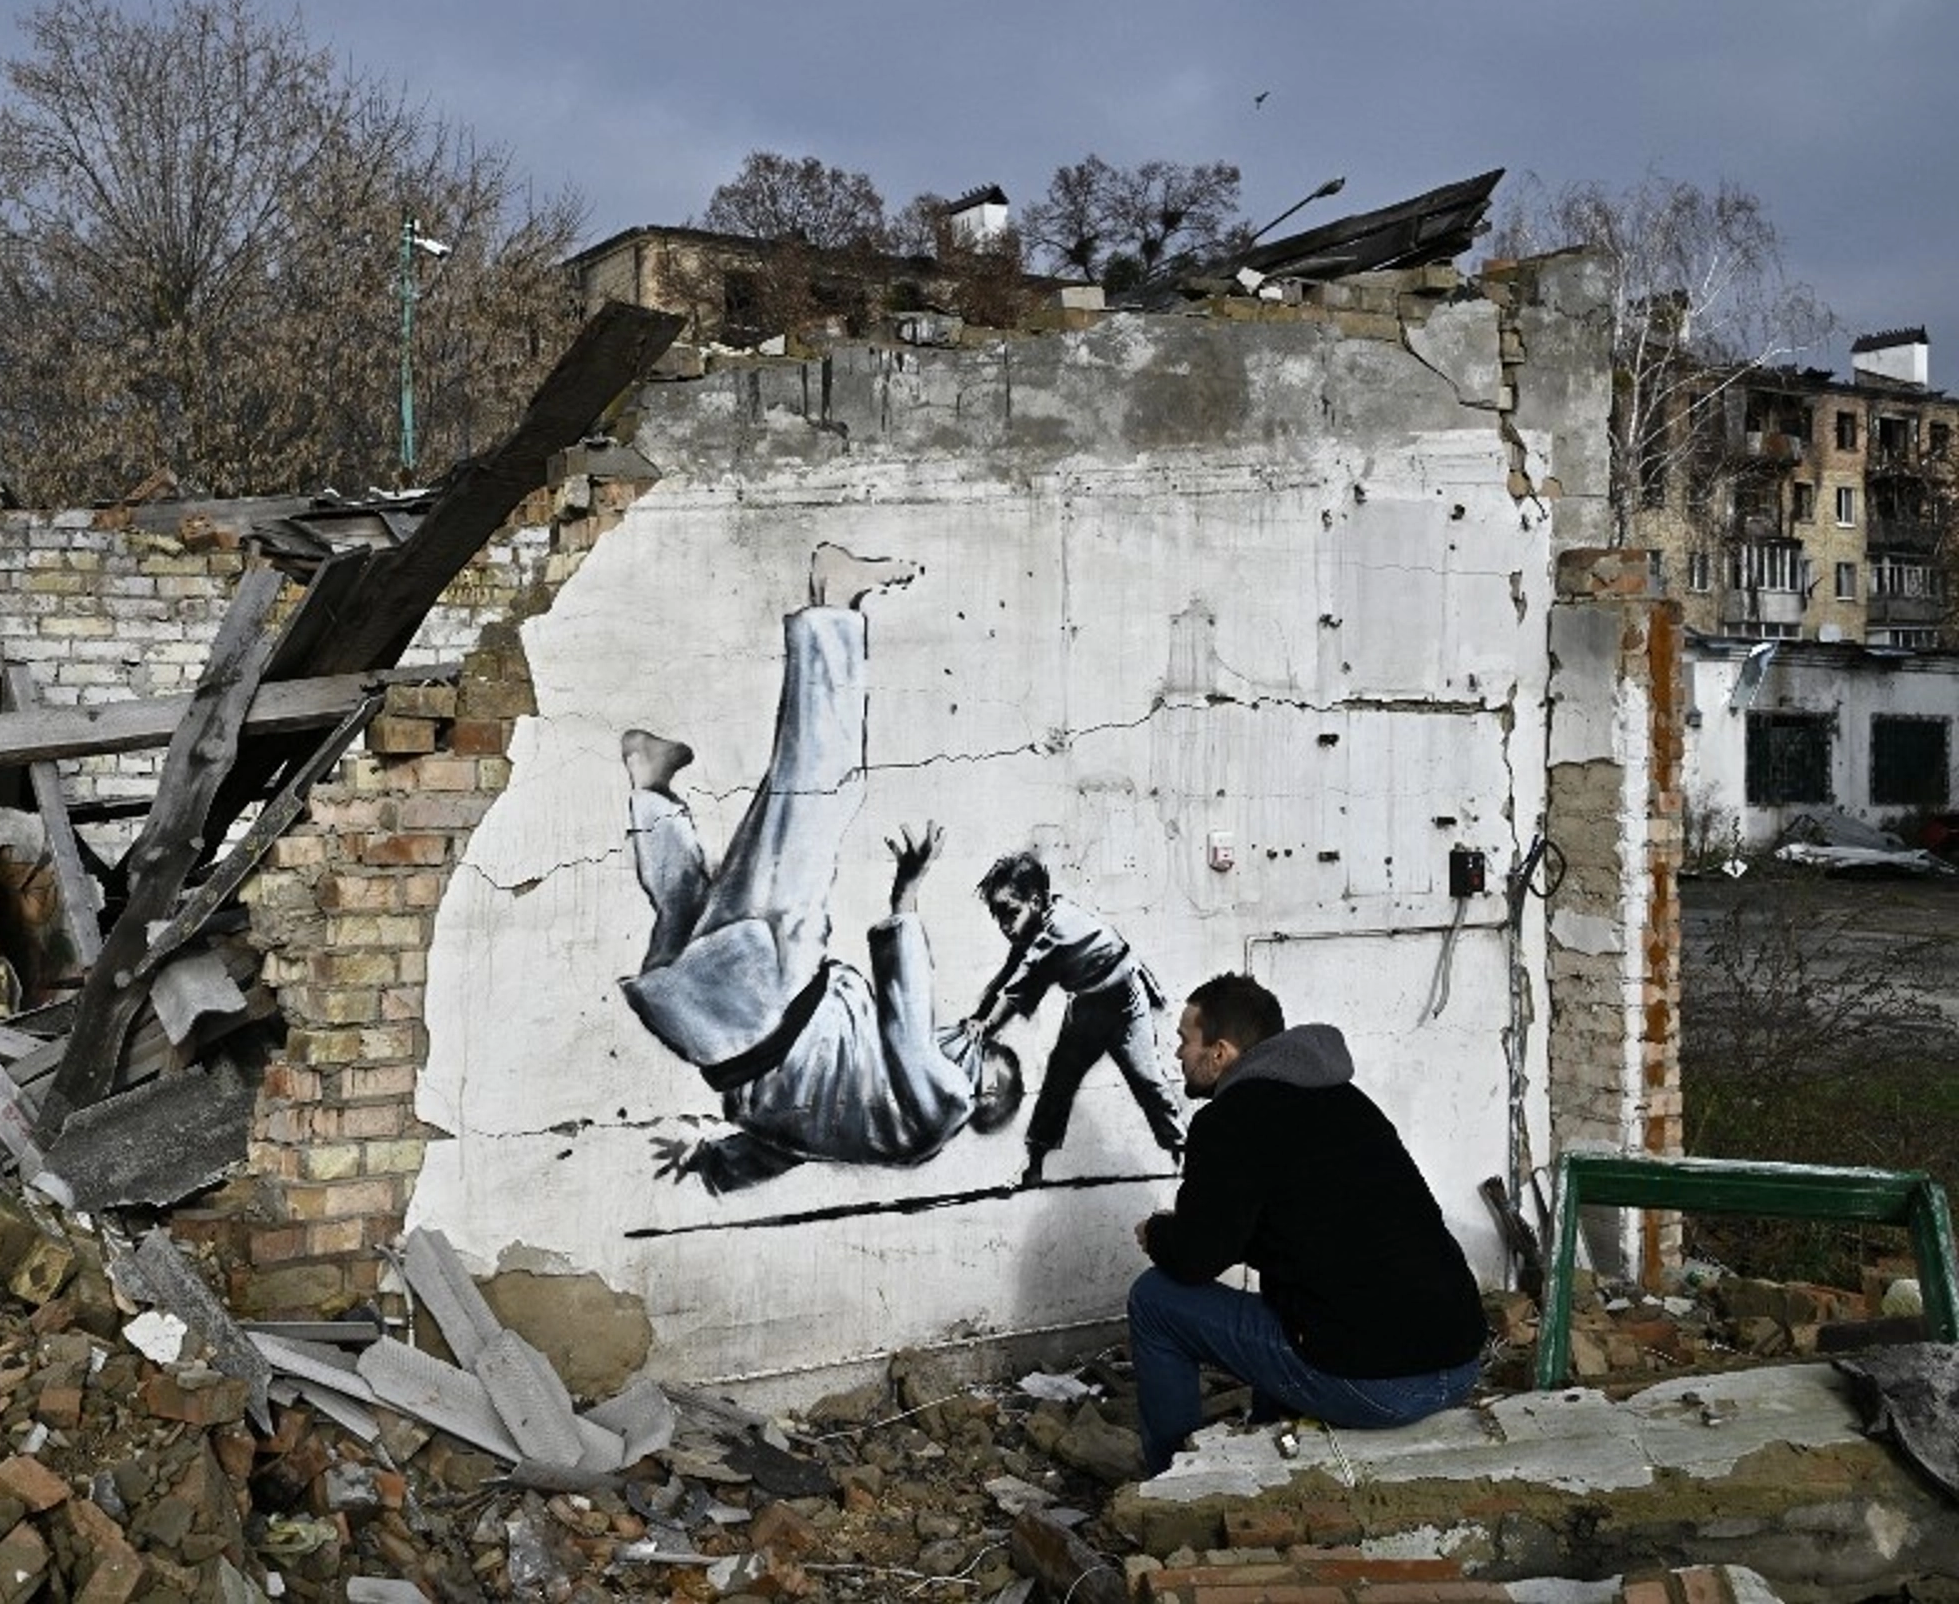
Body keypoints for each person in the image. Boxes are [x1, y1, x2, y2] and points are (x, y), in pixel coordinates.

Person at [623, 543, 1021, 1193]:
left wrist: (906, 903)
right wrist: (709, 1163)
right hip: (702, 1034)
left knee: (821, 790)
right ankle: (649, 783)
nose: (965, 1041)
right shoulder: (868, 1129)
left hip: (775, 999)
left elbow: (908, 1024)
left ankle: (833, 604)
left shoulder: (946, 1102)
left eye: (982, 1060)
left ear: (984, 1097)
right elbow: (780, 1149)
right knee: (691, 908)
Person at [1128, 973, 1484, 1473]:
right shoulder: (1347, 1100)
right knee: (1294, 1304)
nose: (1178, 1055)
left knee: (1155, 1300)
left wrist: (1159, 1234)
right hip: (1462, 1359)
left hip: (1380, 1388)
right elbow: (1306, 1230)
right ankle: (1273, 1438)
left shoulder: (1228, 1122)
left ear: (1220, 1053)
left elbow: (1195, 1259)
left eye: (1186, 1041)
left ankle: (1173, 1478)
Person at [961, 852, 1183, 1186]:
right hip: (1089, 1007)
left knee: (1148, 1081)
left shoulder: (1055, 932)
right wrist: (978, 1016)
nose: (1005, 927)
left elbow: (1017, 988)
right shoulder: (1038, 925)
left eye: (1010, 913)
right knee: (1058, 1083)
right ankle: (1034, 1164)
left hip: (1126, 1004)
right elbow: (1008, 975)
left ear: (1035, 902)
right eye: (999, 918)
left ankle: (1183, 1152)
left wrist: (988, 1025)